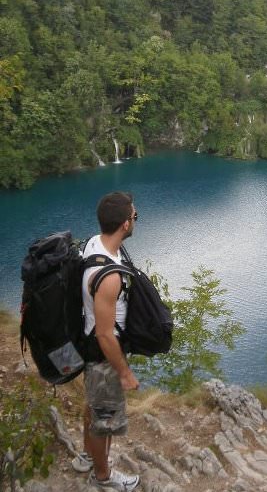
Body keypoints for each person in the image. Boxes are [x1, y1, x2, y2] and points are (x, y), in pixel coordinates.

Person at [72, 191, 140, 491]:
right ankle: (103, 476)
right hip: (102, 356)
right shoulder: (109, 276)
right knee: (105, 419)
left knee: (94, 408)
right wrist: (124, 372)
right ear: (125, 224)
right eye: (135, 216)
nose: (136, 219)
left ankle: (87, 457)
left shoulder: (93, 243)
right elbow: (104, 333)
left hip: (88, 347)